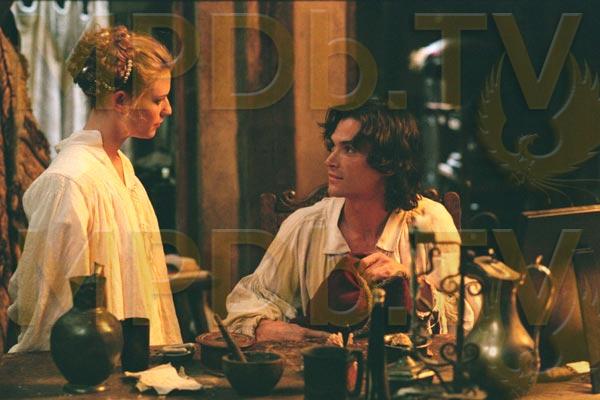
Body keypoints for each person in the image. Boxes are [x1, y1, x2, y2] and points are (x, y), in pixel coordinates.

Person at [224, 98, 479, 342]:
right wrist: (286, 332)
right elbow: (248, 304)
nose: (330, 161)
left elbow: (468, 314)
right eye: (332, 146)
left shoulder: (429, 221)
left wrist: (413, 284)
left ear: (387, 162)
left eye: (349, 149)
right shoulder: (305, 225)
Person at [7, 25, 182, 352]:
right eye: (158, 99)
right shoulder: (69, 182)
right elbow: (50, 310)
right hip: (89, 366)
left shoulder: (122, 168)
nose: (168, 109)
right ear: (121, 101)